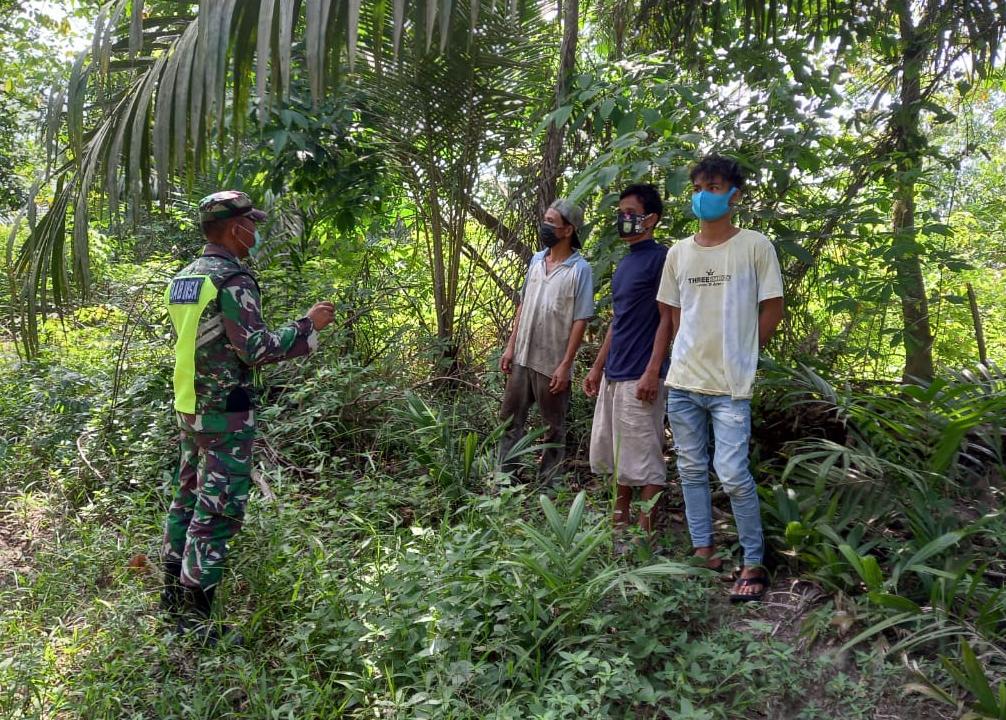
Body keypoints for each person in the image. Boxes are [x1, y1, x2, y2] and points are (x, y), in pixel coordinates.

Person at [160, 190, 335, 642]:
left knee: (187, 495)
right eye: (251, 225)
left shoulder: (186, 276)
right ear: (234, 228)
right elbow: (254, 349)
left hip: (188, 403)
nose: (255, 233)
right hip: (222, 412)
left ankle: (172, 597)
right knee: (217, 509)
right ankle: (197, 621)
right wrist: (307, 326)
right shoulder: (231, 279)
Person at [656, 155, 784, 602]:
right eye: (699, 186)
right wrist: (667, 366)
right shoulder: (678, 252)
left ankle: (753, 561)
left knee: (731, 473)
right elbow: (670, 314)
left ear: (734, 194)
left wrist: (745, 355)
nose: (703, 194)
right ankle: (703, 549)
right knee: (691, 469)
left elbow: (772, 307)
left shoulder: (754, 246)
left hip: (731, 385)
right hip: (684, 381)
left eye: (713, 186)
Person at [584, 184, 672, 540]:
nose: (623, 219)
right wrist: (596, 366)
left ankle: (644, 535)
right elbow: (617, 320)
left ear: (650, 219)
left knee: (646, 459)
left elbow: (667, 318)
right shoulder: (626, 262)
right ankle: (618, 525)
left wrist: (654, 370)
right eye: (620, 213)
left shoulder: (661, 258)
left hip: (641, 374)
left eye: (630, 213)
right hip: (615, 373)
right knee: (618, 453)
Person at [498, 198, 593, 482]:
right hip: (522, 357)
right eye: (546, 219)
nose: (545, 226)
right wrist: (510, 346)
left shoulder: (579, 270)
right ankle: (505, 479)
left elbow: (581, 319)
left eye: (552, 222)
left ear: (568, 230)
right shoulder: (537, 260)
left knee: (553, 427)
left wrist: (566, 364)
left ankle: (549, 485)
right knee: (509, 421)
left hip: (552, 363)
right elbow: (523, 304)